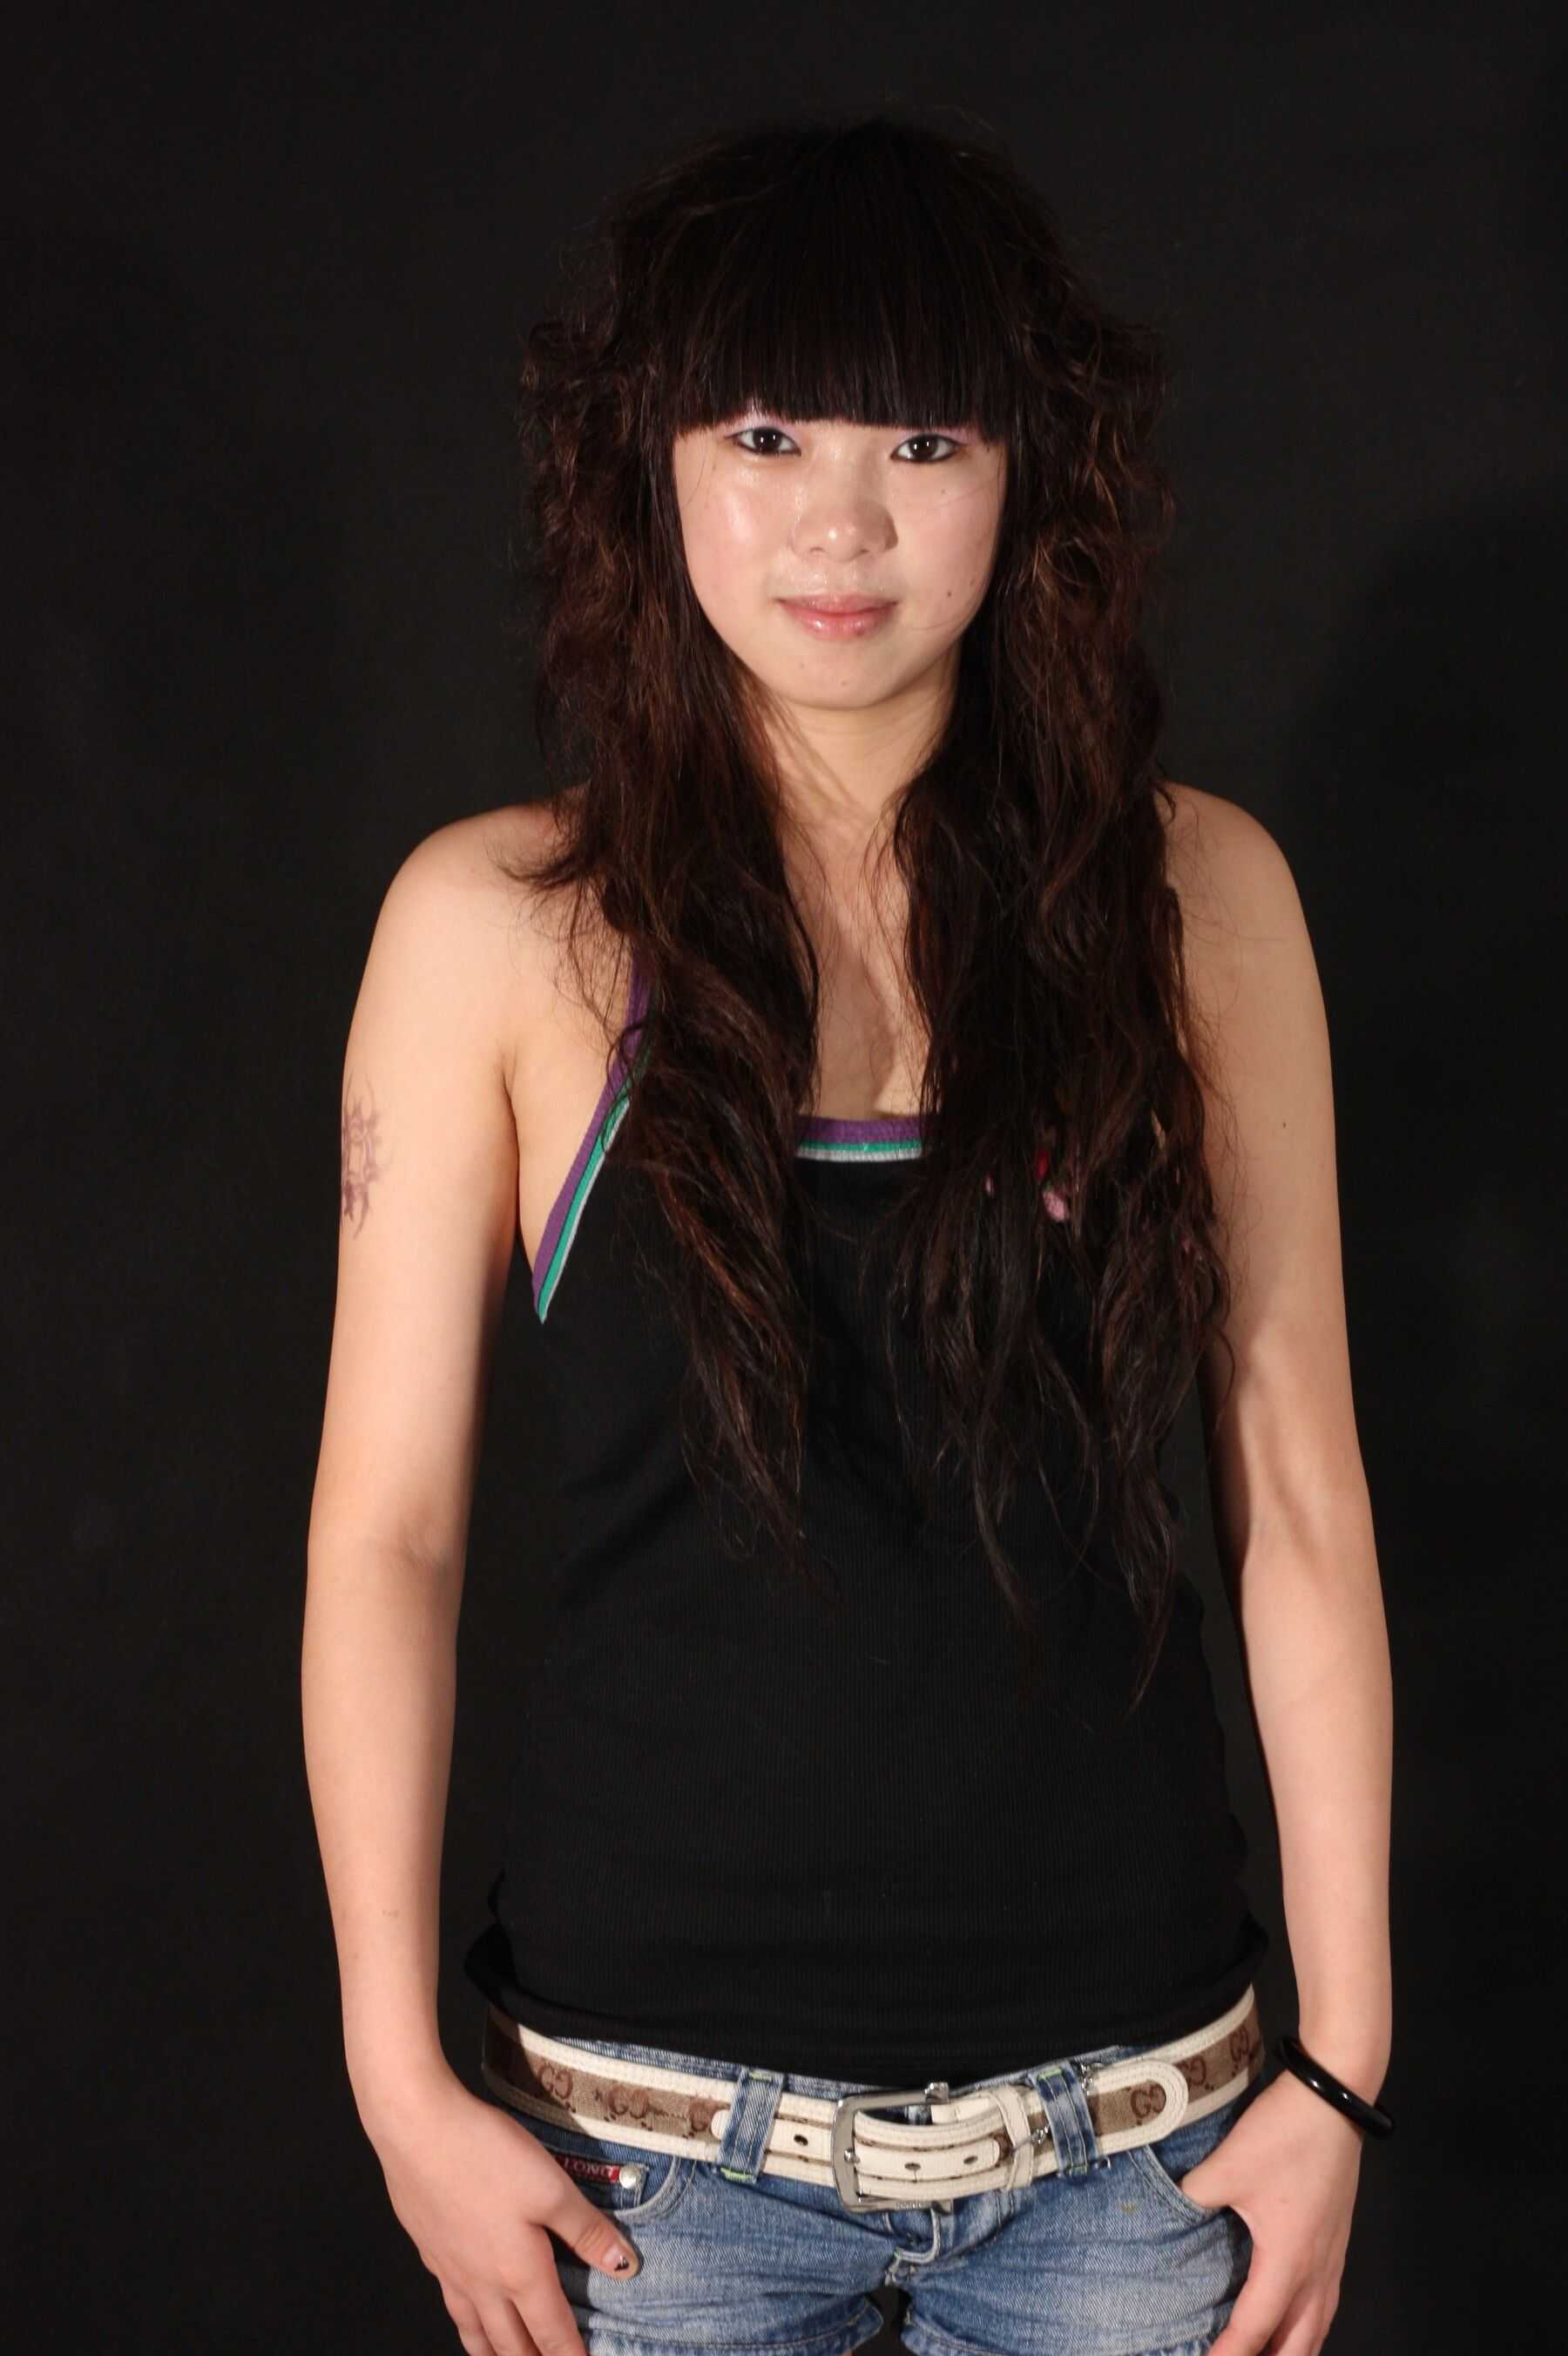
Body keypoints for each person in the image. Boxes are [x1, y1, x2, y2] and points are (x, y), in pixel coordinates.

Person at [302, 110, 1393, 2356]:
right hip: (644, 2175)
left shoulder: (1197, 903)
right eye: (768, 432)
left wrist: (1342, 2074)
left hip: (1141, 2151)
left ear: (1029, 471)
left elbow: (1296, 1500)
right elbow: (387, 1539)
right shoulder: (494, 929)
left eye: (923, 437)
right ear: (650, 461)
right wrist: (397, 2079)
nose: (841, 522)